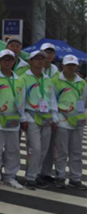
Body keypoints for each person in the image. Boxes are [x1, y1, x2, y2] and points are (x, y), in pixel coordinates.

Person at [0, 49, 25, 189]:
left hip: (13, 120)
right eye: (4, 59)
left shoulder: (19, 80)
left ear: (14, 61)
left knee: (12, 150)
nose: (7, 62)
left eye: (10, 59)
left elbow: (22, 101)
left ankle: (10, 176)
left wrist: (22, 118)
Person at [19, 50, 58, 190]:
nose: (40, 61)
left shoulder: (47, 79)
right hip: (32, 116)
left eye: (42, 59)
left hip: (47, 118)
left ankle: (36, 175)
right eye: (36, 59)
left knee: (44, 149)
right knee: (35, 148)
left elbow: (52, 99)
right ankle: (30, 178)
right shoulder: (23, 78)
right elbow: (21, 100)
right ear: (30, 61)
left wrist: (54, 117)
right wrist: (24, 118)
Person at [51, 55, 86, 190]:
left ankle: (75, 178)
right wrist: (55, 118)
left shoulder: (81, 82)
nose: (71, 68)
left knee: (76, 151)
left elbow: (82, 100)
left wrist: (81, 115)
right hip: (62, 120)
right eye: (68, 65)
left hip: (77, 121)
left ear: (77, 66)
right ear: (63, 66)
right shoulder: (56, 80)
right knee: (61, 151)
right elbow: (53, 101)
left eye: (73, 65)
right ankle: (60, 176)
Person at [39, 42, 59, 182]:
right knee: (35, 147)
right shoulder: (35, 69)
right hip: (36, 112)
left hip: (51, 112)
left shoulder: (56, 71)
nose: (48, 55)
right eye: (46, 52)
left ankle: (45, 172)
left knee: (50, 146)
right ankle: (34, 172)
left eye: (51, 52)